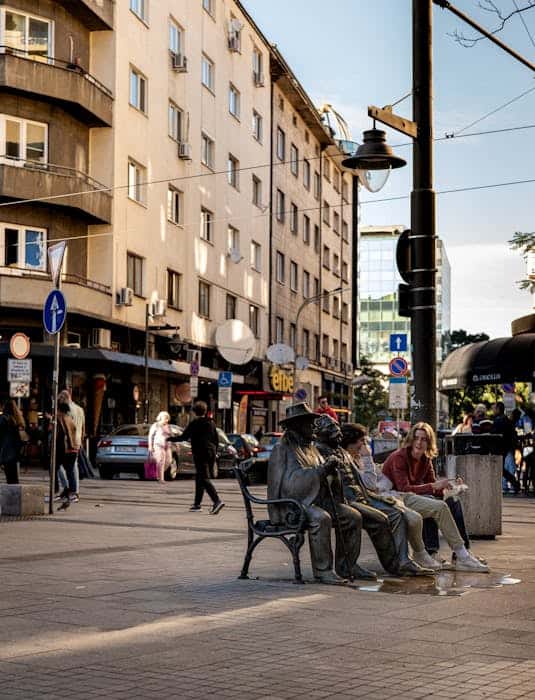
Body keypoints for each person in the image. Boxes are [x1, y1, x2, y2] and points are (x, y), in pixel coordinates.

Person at [315, 415, 433, 577]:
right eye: (333, 430)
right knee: (379, 518)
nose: (337, 433)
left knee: (397, 514)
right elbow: (323, 480)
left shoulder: (342, 452)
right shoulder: (320, 452)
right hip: (345, 501)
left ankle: (403, 561)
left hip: (362, 496)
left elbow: (361, 482)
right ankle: (389, 564)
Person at [267, 403, 363, 583]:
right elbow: (291, 484)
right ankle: (323, 570)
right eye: (309, 423)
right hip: (288, 506)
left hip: (311, 501)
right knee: (321, 518)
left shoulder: (310, 448)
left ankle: (346, 565)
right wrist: (322, 470)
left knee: (352, 516)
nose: (313, 427)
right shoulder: (283, 449)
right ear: (297, 425)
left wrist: (332, 472)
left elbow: (320, 476)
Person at [382, 422, 489, 572]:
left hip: (414, 497)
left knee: (453, 501)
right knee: (433, 502)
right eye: (417, 438)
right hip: (395, 498)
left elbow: (433, 487)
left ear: (429, 442)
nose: (419, 442)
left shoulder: (425, 460)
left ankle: (461, 554)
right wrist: (434, 487)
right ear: (411, 439)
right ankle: (433, 552)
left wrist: (450, 486)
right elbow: (404, 488)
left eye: (424, 439)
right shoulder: (400, 457)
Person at [340, 422, 441, 572]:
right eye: (362, 441)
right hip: (363, 500)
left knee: (424, 508)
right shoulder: (349, 459)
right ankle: (403, 560)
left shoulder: (357, 458)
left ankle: (407, 558)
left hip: (379, 496)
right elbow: (370, 483)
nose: (365, 444)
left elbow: (383, 482)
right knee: (401, 515)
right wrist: (368, 458)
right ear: (352, 442)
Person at [167, 401, 224, 514]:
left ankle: (217, 501)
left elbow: (184, 437)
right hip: (211, 452)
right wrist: (214, 453)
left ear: (194, 412)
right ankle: (197, 504)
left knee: (203, 478)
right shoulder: (211, 423)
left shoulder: (195, 423)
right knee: (199, 478)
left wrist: (169, 439)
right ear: (205, 411)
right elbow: (216, 440)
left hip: (200, 452)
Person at [492, 401, 521, 494]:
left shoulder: (498, 420)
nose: (493, 410)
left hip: (499, 448)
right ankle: (514, 483)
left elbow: (494, 433)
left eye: (494, 408)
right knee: (501, 468)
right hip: (506, 448)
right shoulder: (506, 420)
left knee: (500, 468)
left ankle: (513, 483)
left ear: (498, 409)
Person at [56, 399, 80, 502]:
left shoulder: (61, 419)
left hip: (66, 449)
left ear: (59, 410)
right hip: (73, 449)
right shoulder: (69, 418)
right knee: (69, 471)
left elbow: (62, 435)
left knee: (56, 468)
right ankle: (71, 492)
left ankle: (65, 491)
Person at [0, 400, 25, 484]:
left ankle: (12, 495)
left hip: (6, 451)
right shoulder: (17, 419)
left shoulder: (3, 418)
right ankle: (15, 495)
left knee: (9, 478)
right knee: (14, 478)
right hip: (15, 452)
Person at [148, 411, 173, 482]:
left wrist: (176, 444)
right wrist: (150, 446)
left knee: (169, 461)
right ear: (161, 418)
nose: (167, 420)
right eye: (165, 418)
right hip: (158, 445)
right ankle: (161, 479)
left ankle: (158, 473)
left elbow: (171, 435)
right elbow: (150, 436)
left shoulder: (168, 426)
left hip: (168, 446)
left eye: (167, 419)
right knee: (161, 461)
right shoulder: (155, 425)